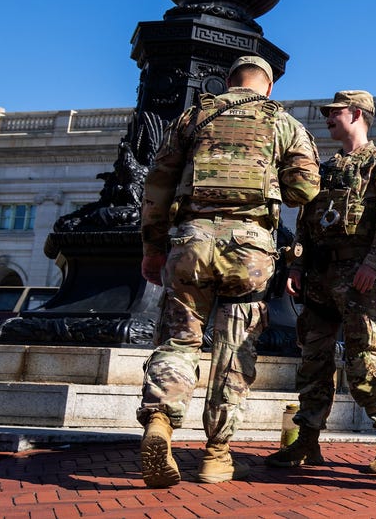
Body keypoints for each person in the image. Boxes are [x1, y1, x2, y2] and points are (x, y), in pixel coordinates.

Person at [137, 55, 321, 488]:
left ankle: (161, 419)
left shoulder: (192, 118)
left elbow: (157, 184)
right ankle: (217, 455)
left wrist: (151, 248)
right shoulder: (284, 123)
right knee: (234, 355)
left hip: (190, 243)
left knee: (179, 340)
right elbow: (304, 190)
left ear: (226, 82)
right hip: (250, 251)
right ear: (268, 87)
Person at [265, 90, 376, 475]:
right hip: (318, 277)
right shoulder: (326, 167)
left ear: (356, 113)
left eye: (333, 113)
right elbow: (304, 224)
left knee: (364, 359)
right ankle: (308, 441)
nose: (327, 118)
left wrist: (374, 263)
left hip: (358, 278)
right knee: (313, 361)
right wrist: (296, 267)